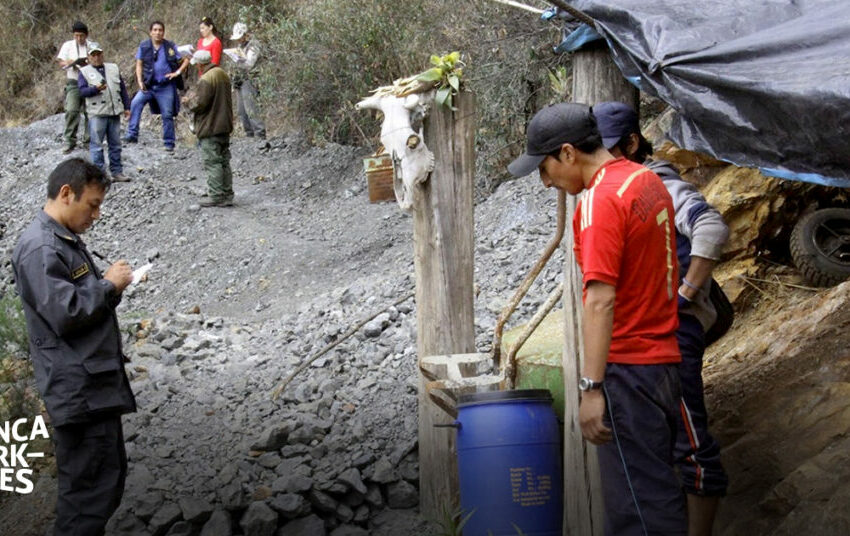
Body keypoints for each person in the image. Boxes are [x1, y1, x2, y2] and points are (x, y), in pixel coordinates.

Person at [509, 103, 686, 535]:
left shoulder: (600, 201)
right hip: (662, 362)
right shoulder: (645, 180)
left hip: (627, 371)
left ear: (568, 153)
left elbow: (601, 301)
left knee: (636, 512)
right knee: (658, 491)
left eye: (545, 169)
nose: (548, 181)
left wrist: (590, 389)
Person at [593, 101, 730, 536]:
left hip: (676, 334)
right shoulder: (623, 188)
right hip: (657, 339)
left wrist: (685, 295)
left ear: (633, 143)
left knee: (691, 447)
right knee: (667, 444)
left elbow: (711, 227)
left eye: (611, 149)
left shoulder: (656, 182)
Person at [11, 158, 137, 535]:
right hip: (79, 394)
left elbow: (78, 307)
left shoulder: (60, 240)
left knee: (102, 488)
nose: (96, 215)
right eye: (93, 204)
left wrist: (108, 291)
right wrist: (108, 285)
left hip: (91, 390)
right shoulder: (40, 247)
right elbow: (65, 313)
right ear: (67, 194)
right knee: (86, 502)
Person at [123, 20, 189, 152]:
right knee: (135, 103)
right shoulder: (144, 46)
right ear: (150, 32)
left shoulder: (170, 46)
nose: (158, 33)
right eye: (155, 30)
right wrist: (140, 81)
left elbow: (187, 58)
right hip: (149, 85)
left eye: (160, 30)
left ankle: (169, 143)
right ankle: (132, 134)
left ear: (163, 32)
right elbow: (139, 64)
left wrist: (177, 72)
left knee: (167, 113)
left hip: (166, 86)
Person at [182, 50, 234, 207]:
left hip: (211, 126)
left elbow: (201, 103)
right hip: (224, 124)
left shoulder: (206, 78)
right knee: (224, 160)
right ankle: (227, 192)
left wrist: (188, 102)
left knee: (213, 161)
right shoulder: (222, 74)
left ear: (200, 64)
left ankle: (216, 195)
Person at [78, 43, 131, 182]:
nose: (96, 57)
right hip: (97, 113)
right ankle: (100, 176)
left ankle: (117, 172)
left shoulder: (113, 68)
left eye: (99, 54)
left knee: (116, 144)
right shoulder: (83, 72)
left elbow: (123, 89)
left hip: (114, 112)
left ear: (103, 54)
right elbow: (82, 91)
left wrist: (127, 107)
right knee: (96, 146)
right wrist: (95, 89)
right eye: (93, 55)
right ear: (89, 57)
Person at [56, 21, 92, 154]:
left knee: (90, 112)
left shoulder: (92, 45)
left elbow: (99, 60)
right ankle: (70, 140)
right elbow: (60, 62)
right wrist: (70, 63)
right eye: (76, 36)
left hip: (89, 81)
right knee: (71, 110)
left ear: (86, 35)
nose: (79, 39)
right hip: (74, 81)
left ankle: (89, 140)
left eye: (81, 36)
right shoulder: (68, 45)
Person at [229, 22, 266, 139]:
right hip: (240, 79)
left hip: (250, 79)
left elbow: (250, 63)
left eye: (240, 38)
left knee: (251, 106)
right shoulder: (241, 47)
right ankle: (249, 133)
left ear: (246, 35)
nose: (239, 41)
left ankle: (259, 133)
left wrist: (239, 60)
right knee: (241, 109)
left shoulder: (254, 45)